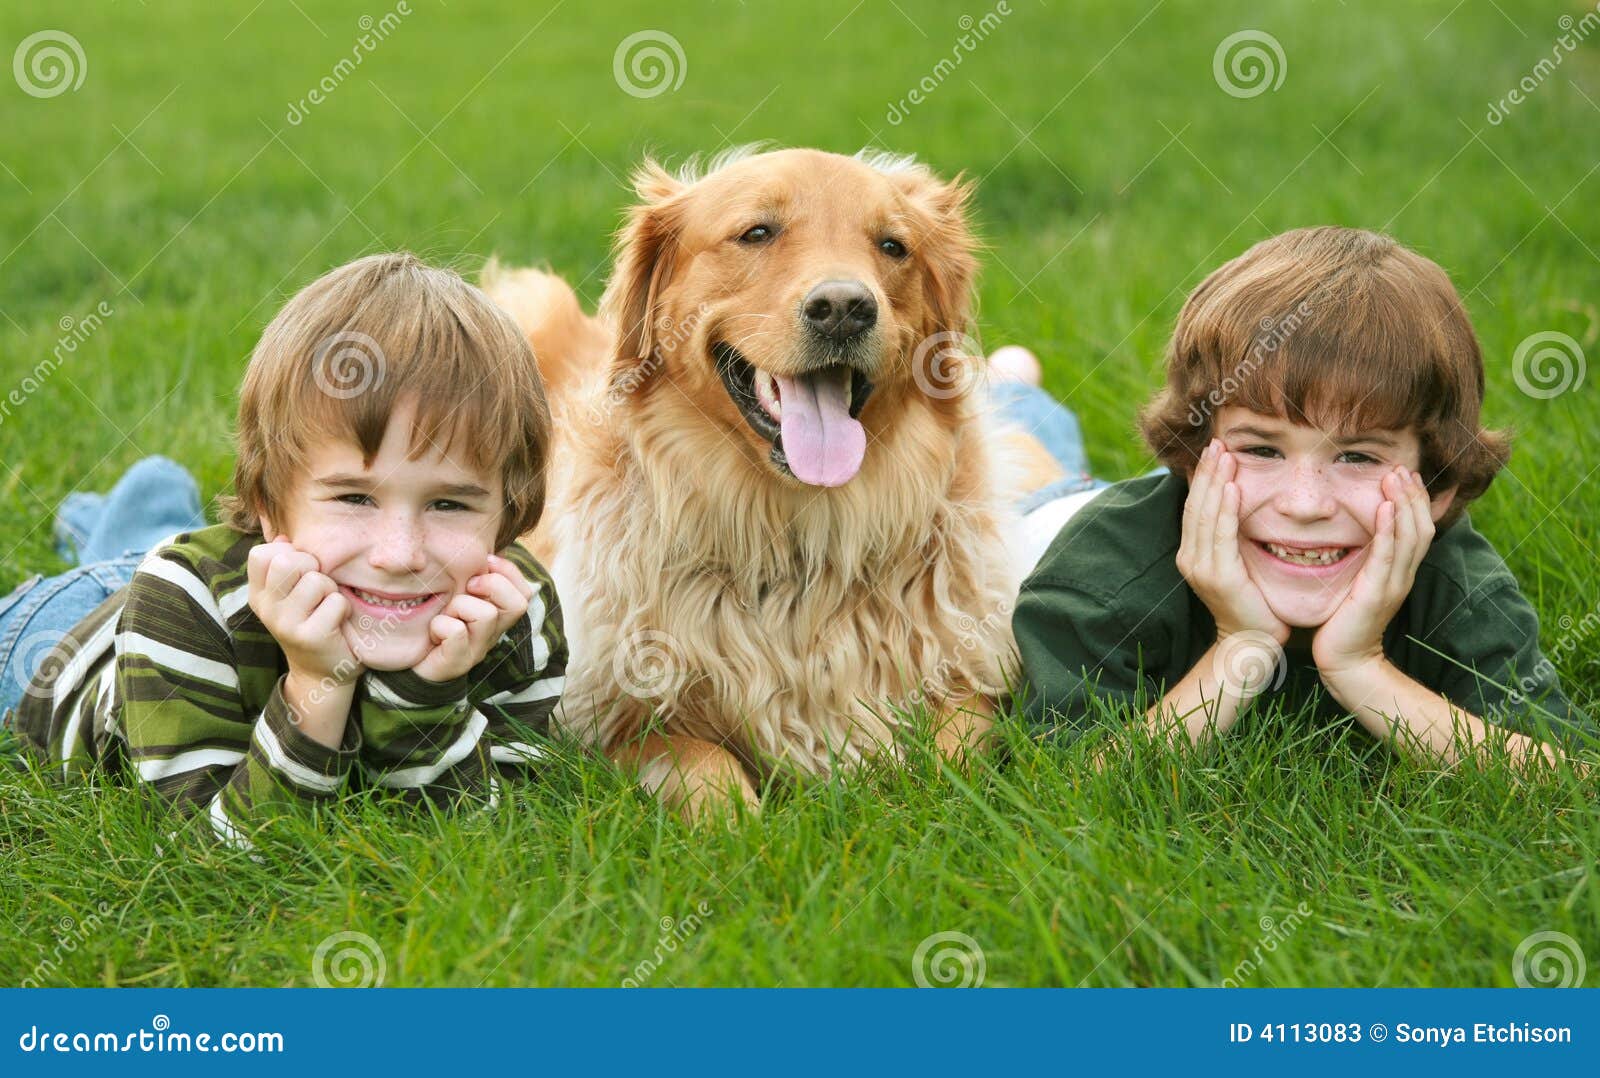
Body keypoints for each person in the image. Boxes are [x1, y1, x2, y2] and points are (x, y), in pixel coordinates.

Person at [2, 252, 567, 847]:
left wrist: (426, 696)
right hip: (69, 634)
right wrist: (313, 686)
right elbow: (215, 854)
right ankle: (137, 516)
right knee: (135, 567)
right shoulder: (180, 607)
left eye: (449, 505)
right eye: (354, 498)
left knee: (151, 539)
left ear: (510, 513)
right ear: (268, 505)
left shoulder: (511, 608)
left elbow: (490, 836)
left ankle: (146, 506)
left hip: (229, 566)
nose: (400, 555)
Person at [1003, 227, 1593, 766]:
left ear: (1438, 487)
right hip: (1041, 522)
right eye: (1261, 449)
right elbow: (1071, 778)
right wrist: (1241, 647)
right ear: (1191, 455)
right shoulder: (1101, 572)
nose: (1304, 504)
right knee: (1009, 456)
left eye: (1358, 456)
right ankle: (1010, 384)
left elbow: (1567, 777)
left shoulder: (1456, 584)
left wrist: (1360, 665)